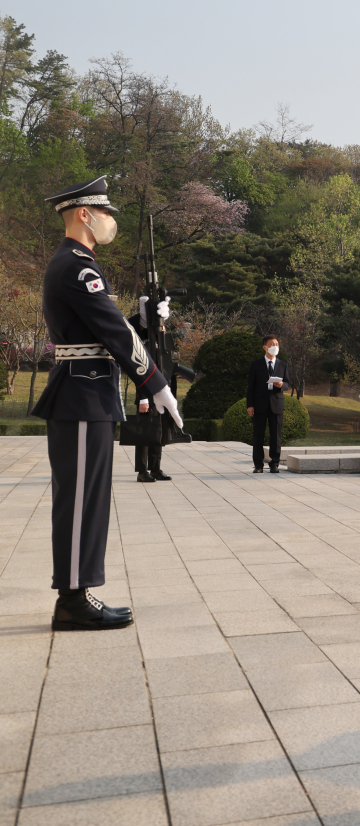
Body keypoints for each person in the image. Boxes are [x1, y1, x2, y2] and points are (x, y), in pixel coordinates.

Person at [33, 176, 182, 630]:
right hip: (80, 397)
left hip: (88, 395)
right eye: (105, 212)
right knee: (80, 500)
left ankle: (79, 593)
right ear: (84, 213)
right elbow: (113, 335)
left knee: (89, 498)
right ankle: (73, 601)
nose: (110, 220)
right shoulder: (78, 267)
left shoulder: (77, 265)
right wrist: (156, 382)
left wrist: (143, 316)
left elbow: (106, 324)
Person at [128, 296, 173, 482]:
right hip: (146, 394)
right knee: (145, 433)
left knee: (158, 432)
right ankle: (142, 471)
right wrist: (143, 398)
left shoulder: (160, 340)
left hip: (161, 392)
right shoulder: (141, 343)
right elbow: (140, 373)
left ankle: (156, 468)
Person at [246, 335, 290, 473]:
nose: (275, 346)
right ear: (265, 347)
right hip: (259, 404)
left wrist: (282, 384)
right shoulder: (256, 365)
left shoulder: (283, 365)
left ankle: (274, 463)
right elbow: (250, 387)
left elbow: (288, 383)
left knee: (275, 435)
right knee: (258, 435)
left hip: (276, 404)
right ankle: (258, 465)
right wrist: (250, 405)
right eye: (272, 344)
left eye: (277, 344)